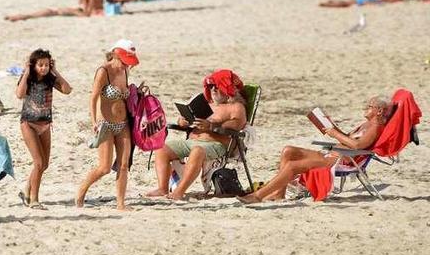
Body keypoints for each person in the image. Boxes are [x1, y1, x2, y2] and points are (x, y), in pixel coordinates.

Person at [239, 96, 393, 204]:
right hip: (334, 154)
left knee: (293, 166)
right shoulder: (366, 125)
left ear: (379, 111)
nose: (366, 108)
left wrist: (335, 133)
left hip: (341, 160)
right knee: (289, 151)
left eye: (370, 106)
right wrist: (332, 127)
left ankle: (258, 196)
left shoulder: (375, 128)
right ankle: (279, 194)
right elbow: (349, 139)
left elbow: (358, 146)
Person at [148, 69, 247, 200]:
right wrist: (183, 121)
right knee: (162, 149)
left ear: (228, 89)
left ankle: (179, 191)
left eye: (217, 86)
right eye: (211, 86)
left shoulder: (235, 107)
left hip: (215, 144)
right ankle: (162, 188)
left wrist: (211, 126)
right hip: (191, 140)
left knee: (197, 151)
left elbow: (237, 125)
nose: (213, 89)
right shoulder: (205, 103)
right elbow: (183, 119)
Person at [75, 40, 140, 210]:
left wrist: (133, 94)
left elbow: (125, 96)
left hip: (123, 123)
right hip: (105, 123)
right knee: (104, 167)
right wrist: (94, 121)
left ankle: (120, 204)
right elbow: (93, 97)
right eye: (126, 57)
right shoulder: (104, 71)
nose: (128, 62)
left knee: (124, 165)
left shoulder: (125, 70)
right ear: (117, 53)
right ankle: (82, 190)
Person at [15, 49, 72, 208]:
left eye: (46, 65)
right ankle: (34, 199)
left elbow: (67, 90)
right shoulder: (28, 78)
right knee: (38, 163)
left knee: (44, 165)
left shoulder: (50, 79)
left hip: (45, 125)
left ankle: (27, 189)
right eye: (40, 65)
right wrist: (26, 72)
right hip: (29, 124)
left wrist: (55, 72)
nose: (44, 68)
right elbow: (19, 94)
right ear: (34, 65)